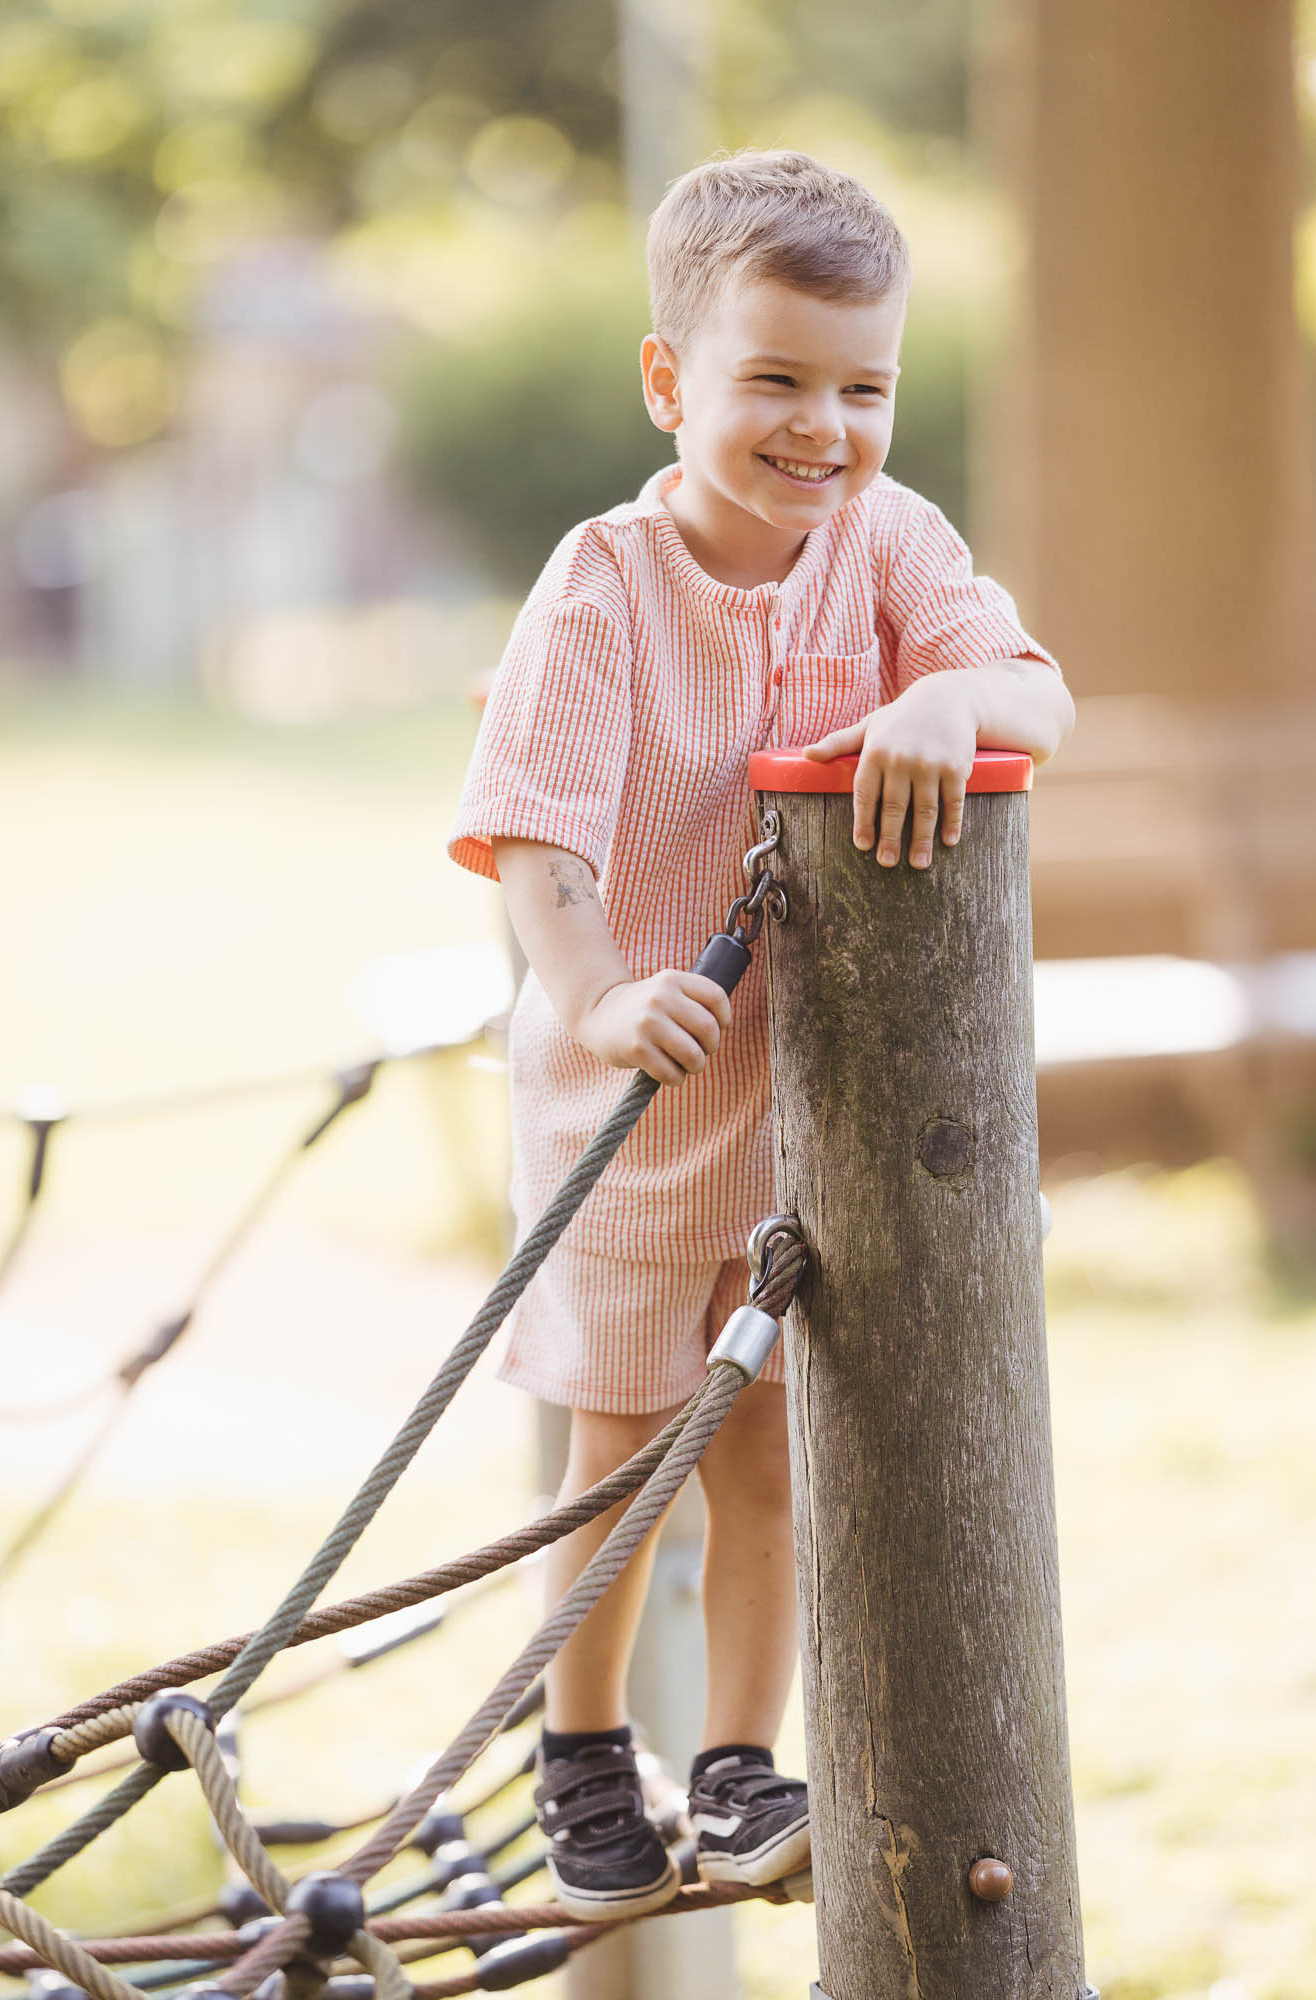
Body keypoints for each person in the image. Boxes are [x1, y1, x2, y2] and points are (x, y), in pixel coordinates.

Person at [448, 149, 1074, 1921]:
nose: (823, 427)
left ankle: (735, 1763)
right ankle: (581, 1751)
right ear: (670, 380)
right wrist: (595, 991)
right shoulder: (604, 584)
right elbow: (538, 836)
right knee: (627, 1446)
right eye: (774, 380)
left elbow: (1041, 691)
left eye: (861, 386)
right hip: (636, 1095)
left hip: (814, 1107)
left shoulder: (890, 545)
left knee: (768, 1449)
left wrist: (948, 691)